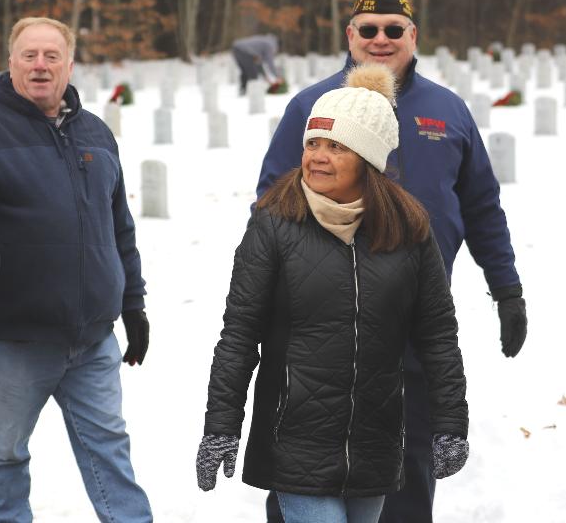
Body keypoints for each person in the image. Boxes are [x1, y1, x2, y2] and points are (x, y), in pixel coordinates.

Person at [256, 0, 527, 523]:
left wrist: (507, 289)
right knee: (307, 474)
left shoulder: (448, 112)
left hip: (413, 324)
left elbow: (481, 207)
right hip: (319, 331)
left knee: (406, 475)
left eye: (394, 29)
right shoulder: (311, 107)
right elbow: (270, 207)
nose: (381, 39)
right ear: (350, 35)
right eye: (369, 29)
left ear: (413, 35)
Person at [197, 63, 469, 523]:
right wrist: (221, 426)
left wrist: (450, 425)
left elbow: (437, 334)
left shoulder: (408, 228)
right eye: (313, 144)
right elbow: (240, 334)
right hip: (295, 442)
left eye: (336, 146)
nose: (317, 157)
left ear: (369, 158)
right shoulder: (274, 223)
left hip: (375, 443)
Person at [0, 17, 152, 523]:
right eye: (29, 56)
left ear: (69, 64)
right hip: (16, 338)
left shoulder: (95, 132)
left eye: (51, 56)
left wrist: (133, 304)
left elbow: (118, 225)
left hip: (93, 339)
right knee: (5, 453)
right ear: (11, 63)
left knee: (110, 448)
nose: (40, 66)